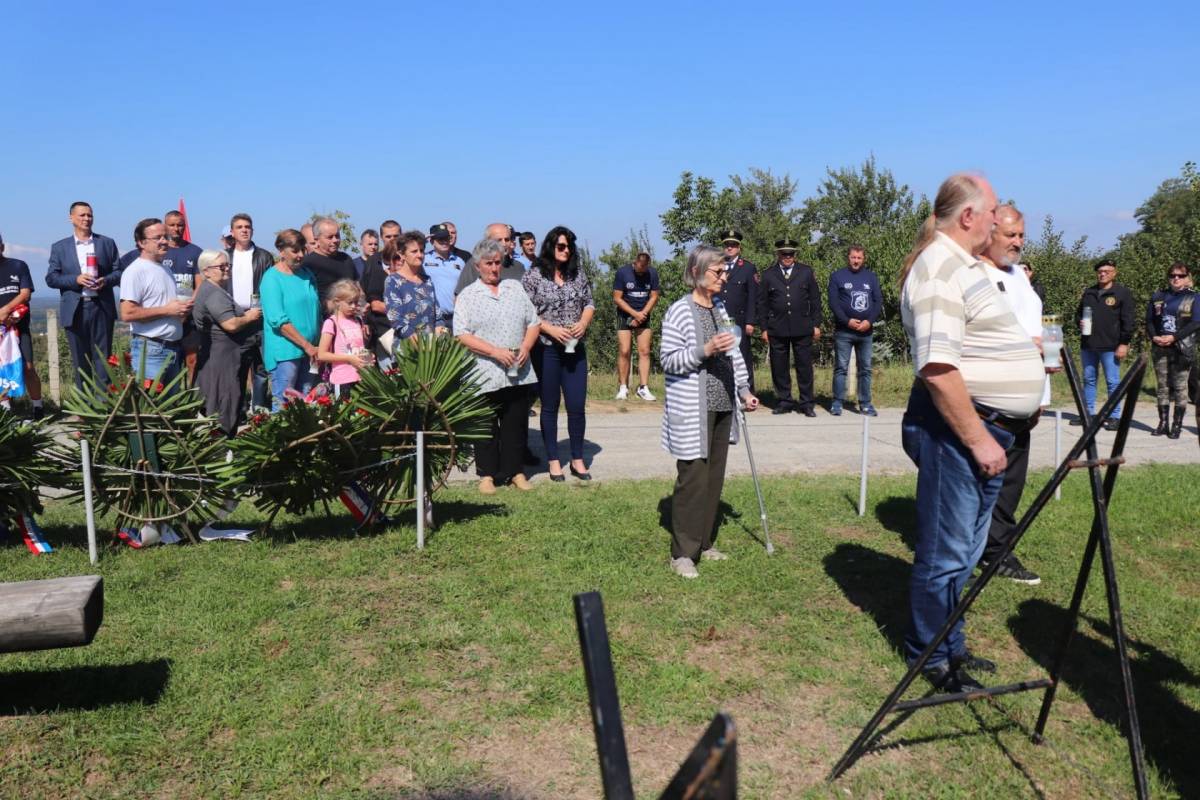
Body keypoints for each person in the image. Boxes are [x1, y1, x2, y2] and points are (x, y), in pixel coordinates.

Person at [898, 173, 1044, 692]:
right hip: (961, 431)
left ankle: (951, 646)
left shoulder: (963, 266)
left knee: (964, 550)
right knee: (946, 553)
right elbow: (938, 368)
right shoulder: (940, 268)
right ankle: (931, 658)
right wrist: (979, 439)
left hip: (988, 428)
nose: (996, 221)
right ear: (968, 217)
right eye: (991, 213)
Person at [660, 244, 760, 579]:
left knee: (714, 477)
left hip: (722, 405)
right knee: (693, 479)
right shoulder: (679, 311)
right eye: (718, 272)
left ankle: (703, 543)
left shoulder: (721, 309)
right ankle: (682, 554)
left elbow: (735, 355)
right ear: (697, 273)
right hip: (693, 407)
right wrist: (704, 350)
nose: (724, 276)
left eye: (725, 270)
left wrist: (744, 390)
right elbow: (669, 359)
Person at [976, 205, 1048, 586]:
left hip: (1025, 400)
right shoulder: (974, 274)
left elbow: (1036, 331)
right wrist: (1026, 346)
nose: (1018, 242)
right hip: (988, 402)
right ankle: (975, 551)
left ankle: (997, 550)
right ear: (989, 233)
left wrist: (1042, 396)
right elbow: (981, 335)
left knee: (1011, 482)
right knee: (981, 481)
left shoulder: (1020, 275)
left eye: (1021, 235)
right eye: (1011, 235)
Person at [454, 238, 541, 493]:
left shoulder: (514, 287)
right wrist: (494, 352)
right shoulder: (469, 295)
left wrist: (525, 347)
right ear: (477, 265)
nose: (494, 268)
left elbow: (534, 322)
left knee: (516, 423)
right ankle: (487, 475)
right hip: (484, 372)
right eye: (488, 264)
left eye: (497, 262)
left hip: (517, 371)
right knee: (486, 425)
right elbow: (461, 333)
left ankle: (516, 472)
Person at [522, 226, 594, 481]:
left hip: (575, 350)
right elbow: (526, 312)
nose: (566, 251)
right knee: (550, 406)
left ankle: (577, 458)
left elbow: (589, 303)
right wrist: (550, 329)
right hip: (547, 349)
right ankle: (554, 460)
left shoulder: (578, 274)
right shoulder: (534, 276)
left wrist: (583, 323)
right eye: (561, 246)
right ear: (551, 246)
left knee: (576, 406)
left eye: (569, 247)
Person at [46, 201, 123, 391]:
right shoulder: (60, 247)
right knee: (80, 360)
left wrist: (105, 280)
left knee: (103, 359)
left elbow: (119, 273)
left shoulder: (106, 243)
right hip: (75, 309)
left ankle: (103, 407)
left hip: (101, 307)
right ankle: (84, 407)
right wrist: (76, 279)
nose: (87, 219)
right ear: (71, 218)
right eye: (82, 215)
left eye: (89, 215)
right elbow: (51, 278)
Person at [192, 250, 263, 436]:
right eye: (221, 266)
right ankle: (220, 446)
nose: (226, 269)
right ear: (206, 271)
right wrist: (249, 316)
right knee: (224, 399)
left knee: (222, 399)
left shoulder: (214, 290)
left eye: (227, 265)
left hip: (222, 355)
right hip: (222, 358)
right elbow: (230, 324)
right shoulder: (214, 294)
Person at [120, 218, 192, 386]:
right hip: (151, 350)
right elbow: (127, 313)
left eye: (165, 237)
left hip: (172, 348)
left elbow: (167, 306)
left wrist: (181, 311)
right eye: (158, 237)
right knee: (152, 409)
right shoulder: (135, 271)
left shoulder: (164, 268)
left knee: (168, 410)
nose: (164, 241)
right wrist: (168, 311)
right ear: (141, 243)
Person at [759, 238, 822, 416]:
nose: (787, 257)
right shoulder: (769, 274)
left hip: (802, 326)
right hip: (777, 327)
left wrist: (816, 324)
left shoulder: (806, 272)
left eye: (791, 254)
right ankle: (784, 400)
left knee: (804, 367)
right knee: (779, 367)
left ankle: (806, 403)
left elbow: (815, 300)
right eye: (784, 254)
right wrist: (764, 328)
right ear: (778, 254)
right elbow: (762, 303)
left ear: (795, 255)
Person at [261, 229, 320, 411]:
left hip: (310, 351)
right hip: (286, 352)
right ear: (281, 251)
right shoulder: (272, 279)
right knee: (284, 403)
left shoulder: (307, 274)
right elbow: (278, 321)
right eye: (295, 250)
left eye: (303, 249)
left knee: (307, 401)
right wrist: (306, 345)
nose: (301, 255)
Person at [1074, 259, 1134, 430]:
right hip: (1089, 344)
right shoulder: (1089, 292)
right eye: (1100, 271)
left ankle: (1114, 416)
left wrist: (1124, 343)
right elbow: (1078, 315)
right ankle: (1088, 414)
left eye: (1107, 271)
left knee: (1112, 381)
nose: (1103, 274)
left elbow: (1128, 321)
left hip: (1111, 345)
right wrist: (1079, 322)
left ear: (1114, 273)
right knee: (1089, 379)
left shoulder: (1122, 293)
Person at [225, 212, 274, 410]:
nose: (244, 230)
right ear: (232, 232)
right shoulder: (225, 256)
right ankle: (239, 409)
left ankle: (259, 408)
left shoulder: (264, 256)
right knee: (237, 367)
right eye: (240, 227)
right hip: (235, 317)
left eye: (247, 227)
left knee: (261, 367)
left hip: (259, 318)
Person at [828, 245, 882, 416]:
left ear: (863, 259)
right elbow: (833, 303)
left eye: (859, 258)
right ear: (848, 257)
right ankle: (837, 402)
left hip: (866, 332)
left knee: (865, 368)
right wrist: (847, 321)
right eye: (853, 257)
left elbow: (877, 301)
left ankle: (865, 403)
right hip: (844, 331)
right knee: (841, 368)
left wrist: (869, 321)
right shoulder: (837, 276)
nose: (856, 261)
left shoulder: (871, 277)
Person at [1147, 262, 1199, 439]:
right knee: (1162, 386)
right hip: (1160, 346)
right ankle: (1163, 423)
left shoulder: (1194, 297)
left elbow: (1195, 323)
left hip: (1181, 347)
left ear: (1187, 278)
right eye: (1173, 275)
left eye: (1181, 275)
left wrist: (1174, 337)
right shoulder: (1158, 296)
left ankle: (1177, 425)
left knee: (1180, 387)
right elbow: (1149, 321)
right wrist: (1154, 336)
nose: (1176, 278)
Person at [0, 233, 43, 417]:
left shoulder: (18, 265)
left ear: (2, 247)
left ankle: (38, 407)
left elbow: (25, 294)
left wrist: (6, 311)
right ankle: (6, 411)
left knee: (28, 367)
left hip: (20, 327)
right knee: (1, 370)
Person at [715, 228, 759, 392]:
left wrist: (750, 321)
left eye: (733, 245)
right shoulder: (716, 265)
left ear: (739, 247)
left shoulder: (748, 268)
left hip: (739, 319)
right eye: (727, 245)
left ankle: (747, 392)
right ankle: (725, 391)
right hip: (719, 318)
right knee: (721, 356)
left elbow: (753, 297)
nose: (730, 248)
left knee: (743, 356)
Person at [613, 252, 661, 401]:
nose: (642, 271)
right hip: (625, 314)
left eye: (644, 269)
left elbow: (654, 296)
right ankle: (623, 387)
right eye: (639, 268)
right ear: (635, 263)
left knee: (645, 351)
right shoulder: (622, 272)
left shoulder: (652, 273)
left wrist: (642, 314)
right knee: (624, 350)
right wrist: (634, 314)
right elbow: (617, 298)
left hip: (643, 314)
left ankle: (643, 388)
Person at [163, 210, 203, 384]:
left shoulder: (195, 251)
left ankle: (190, 397)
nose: (176, 228)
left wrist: (188, 308)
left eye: (180, 225)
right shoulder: (159, 250)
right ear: (165, 226)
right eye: (172, 225)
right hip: (165, 315)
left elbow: (200, 284)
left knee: (192, 360)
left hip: (190, 315)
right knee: (168, 362)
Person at [384, 231, 444, 346]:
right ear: (402, 255)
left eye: (421, 250)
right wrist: (417, 342)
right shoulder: (392, 281)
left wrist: (440, 335)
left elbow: (438, 315)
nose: (420, 255)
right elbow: (395, 318)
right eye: (414, 251)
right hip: (407, 349)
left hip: (431, 350)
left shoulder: (428, 281)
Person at [316, 279, 371, 398]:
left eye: (356, 302)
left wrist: (368, 358)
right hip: (342, 379)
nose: (354, 306)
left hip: (362, 377)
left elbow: (359, 347)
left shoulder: (358, 321)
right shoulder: (331, 323)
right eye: (350, 302)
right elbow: (322, 354)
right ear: (337, 302)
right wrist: (349, 358)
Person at [453, 223, 525, 296]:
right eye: (499, 240)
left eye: (507, 239)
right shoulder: (475, 264)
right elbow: (459, 297)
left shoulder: (519, 267)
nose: (504, 244)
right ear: (488, 241)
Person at [303, 217, 356, 300]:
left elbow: (357, 286)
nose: (335, 240)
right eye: (330, 237)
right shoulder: (309, 264)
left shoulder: (346, 259)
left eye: (337, 236)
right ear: (317, 240)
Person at [423, 224, 465, 327]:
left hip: (456, 317)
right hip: (434, 318)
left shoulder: (459, 261)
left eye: (446, 238)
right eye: (440, 239)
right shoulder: (423, 260)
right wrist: (422, 240)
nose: (444, 242)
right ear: (432, 241)